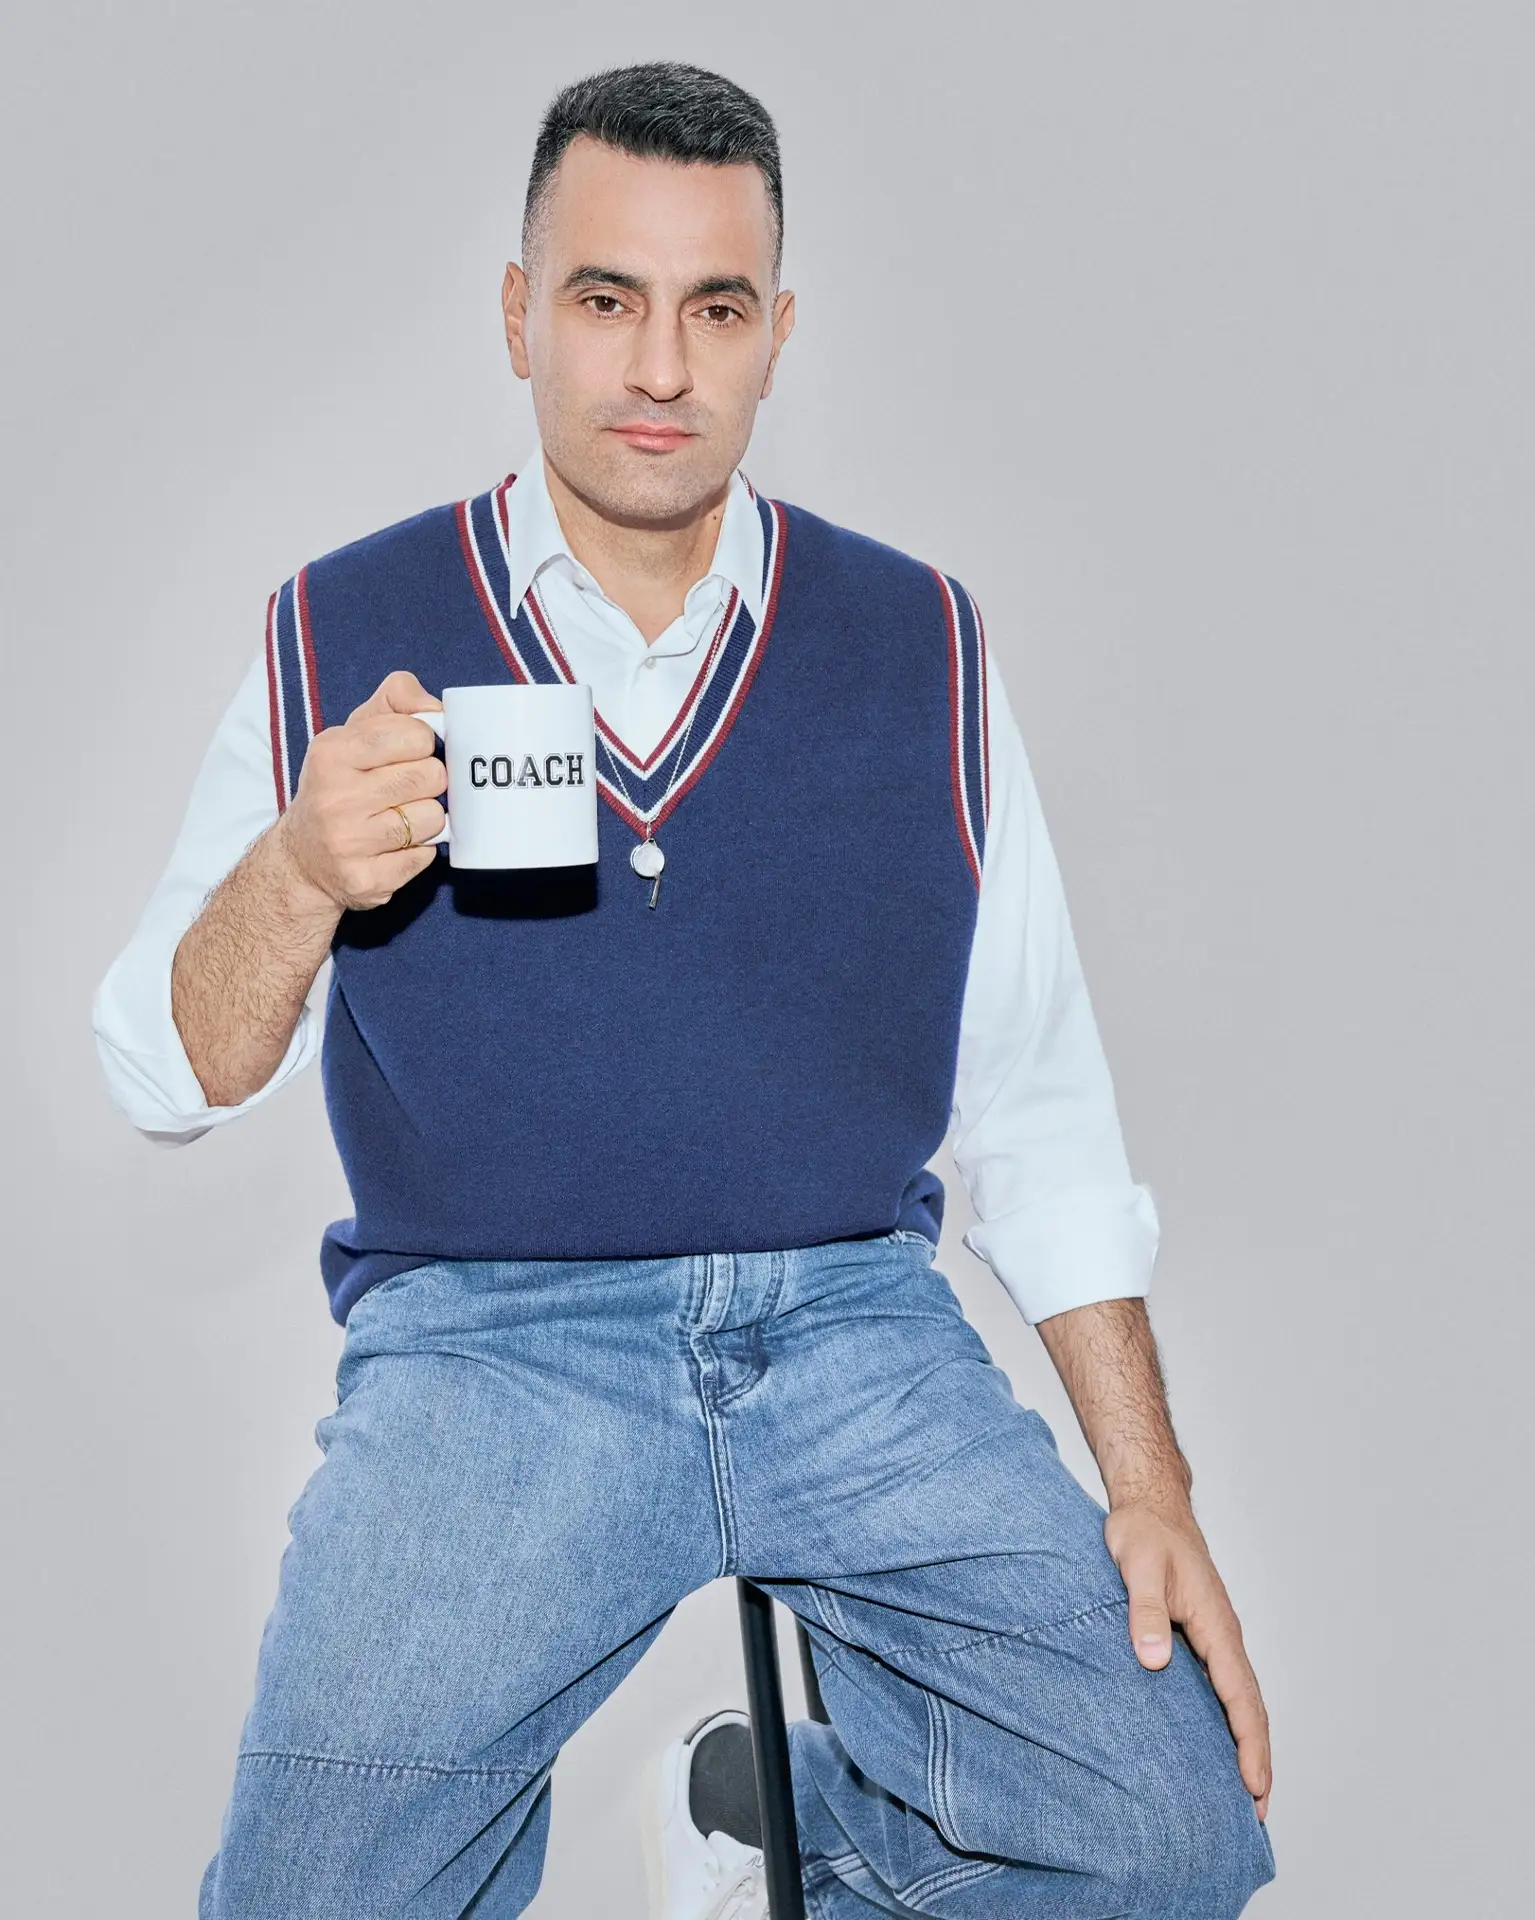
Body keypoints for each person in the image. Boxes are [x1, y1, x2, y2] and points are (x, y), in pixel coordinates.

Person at [94, 61, 1277, 1920]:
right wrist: (302, 869)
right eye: (606, 299)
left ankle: (774, 1825)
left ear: (777, 335)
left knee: (1173, 1836)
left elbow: (1037, 1108)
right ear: (518, 316)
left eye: (714, 310)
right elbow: (166, 1070)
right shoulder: (341, 625)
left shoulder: (918, 641)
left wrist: (1153, 1490)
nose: (659, 367)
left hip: (849, 1328)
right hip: (495, 1346)